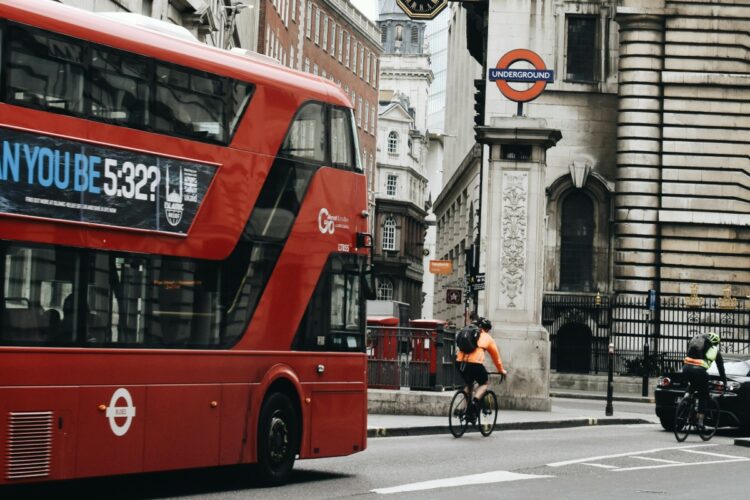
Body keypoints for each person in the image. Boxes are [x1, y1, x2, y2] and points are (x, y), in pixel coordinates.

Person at [455, 317, 507, 420]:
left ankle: (462, 409)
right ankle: (474, 402)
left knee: (469, 384)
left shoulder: (469, 333)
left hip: (459, 362)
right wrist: (501, 370)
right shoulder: (487, 338)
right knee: (484, 383)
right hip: (475, 364)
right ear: (487, 329)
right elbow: (496, 358)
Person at [683, 331, 726, 428]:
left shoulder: (696, 344)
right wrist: (724, 381)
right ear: (716, 343)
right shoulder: (715, 351)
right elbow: (721, 368)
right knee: (703, 395)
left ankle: (686, 397)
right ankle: (700, 421)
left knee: (693, 384)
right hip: (700, 372)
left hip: (686, 368)